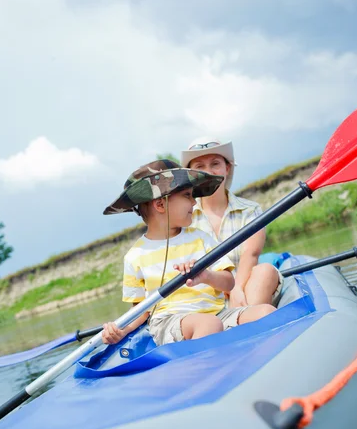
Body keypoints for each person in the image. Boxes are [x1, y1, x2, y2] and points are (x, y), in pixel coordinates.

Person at [101, 159, 275, 346]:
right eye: (187, 196)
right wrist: (122, 329)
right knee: (209, 325)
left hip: (216, 313)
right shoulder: (135, 256)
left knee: (266, 312)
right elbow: (141, 310)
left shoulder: (201, 237)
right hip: (170, 322)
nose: (194, 202)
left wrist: (206, 276)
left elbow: (229, 282)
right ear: (160, 205)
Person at [181, 138, 283, 309]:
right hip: (209, 297)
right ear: (191, 175)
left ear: (227, 168)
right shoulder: (184, 219)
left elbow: (250, 254)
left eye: (215, 164)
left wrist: (236, 289)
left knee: (265, 271)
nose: (209, 172)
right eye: (200, 167)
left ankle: (247, 319)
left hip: (247, 288)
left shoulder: (250, 210)